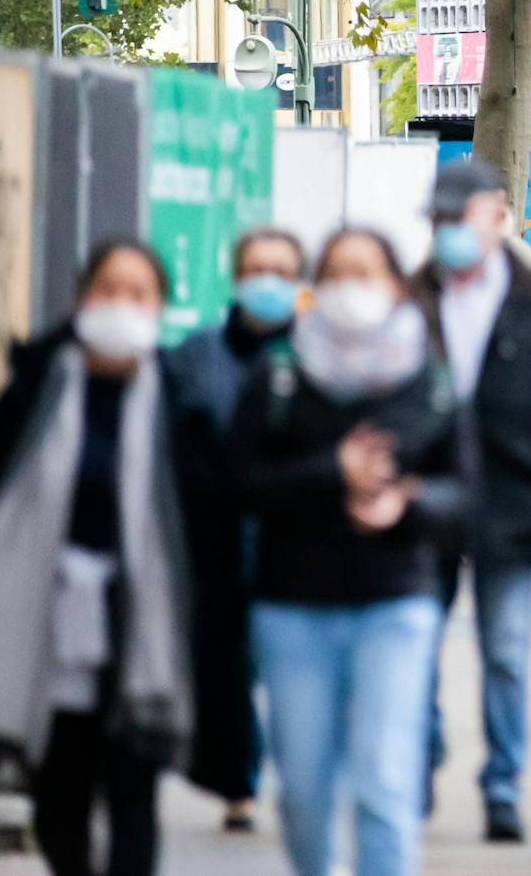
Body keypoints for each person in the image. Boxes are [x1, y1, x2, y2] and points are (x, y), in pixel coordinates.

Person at [0, 239, 195, 876]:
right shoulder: (34, 392)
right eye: (108, 291)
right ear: (79, 300)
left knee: (132, 792)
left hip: (140, 628)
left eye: (138, 294)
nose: (120, 307)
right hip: (45, 617)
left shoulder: (179, 405)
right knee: (59, 793)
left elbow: (200, 524)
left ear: (159, 310)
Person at [232, 228, 476, 876]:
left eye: (366, 275)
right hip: (294, 605)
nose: (351, 289)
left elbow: (467, 491)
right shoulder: (281, 375)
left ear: (397, 286)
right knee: (305, 792)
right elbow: (239, 483)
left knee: (384, 781)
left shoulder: (429, 377)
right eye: (337, 275)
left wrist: (410, 502)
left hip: (396, 600)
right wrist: (330, 471)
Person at [415, 160, 531, 842]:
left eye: (456, 218)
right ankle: (419, 757)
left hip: (511, 499)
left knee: (507, 652)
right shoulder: (414, 294)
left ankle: (502, 786)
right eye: (437, 221)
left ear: (495, 215)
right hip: (423, 500)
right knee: (415, 643)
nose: (446, 232)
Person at [167, 227, 308, 834]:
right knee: (228, 666)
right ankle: (240, 780)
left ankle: (299, 776)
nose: (267, 280)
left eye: (281, 268)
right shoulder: (198, 356)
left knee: (291, 668)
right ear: (235, 276)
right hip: (219, 536)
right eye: (256, 268)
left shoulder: (317, 355)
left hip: (297, 535)